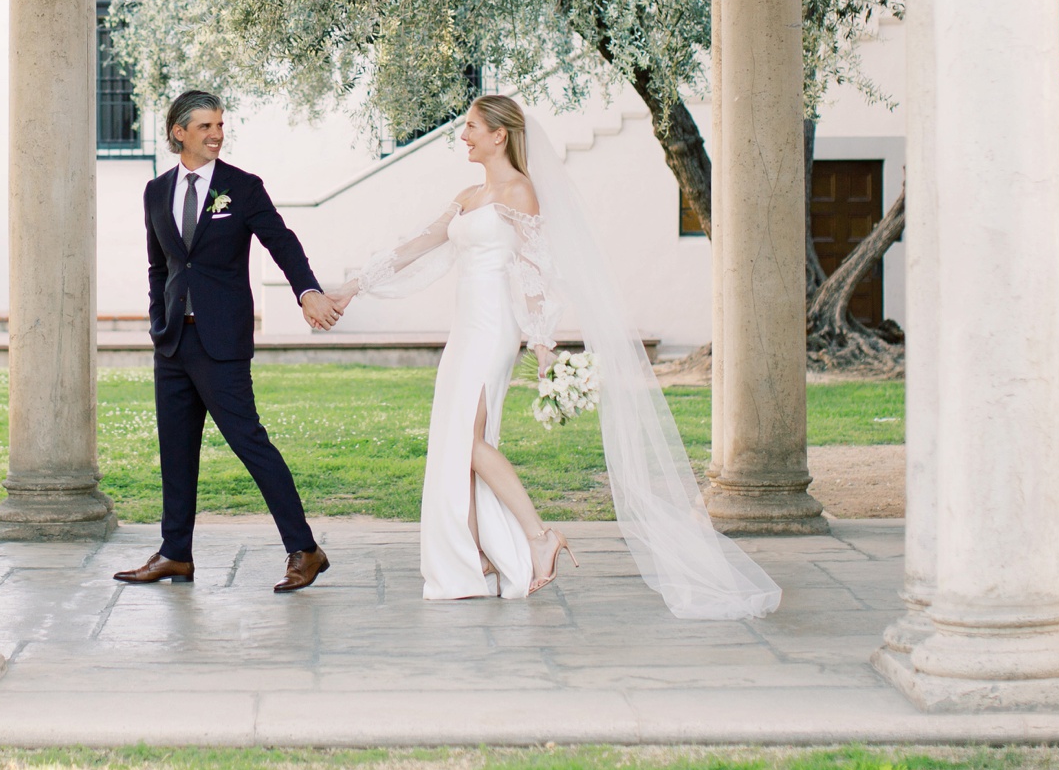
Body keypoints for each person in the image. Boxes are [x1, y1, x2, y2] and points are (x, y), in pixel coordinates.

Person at [329, 96, 782, 618]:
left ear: (500, 135)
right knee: (458, 444)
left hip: (495, 327)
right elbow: (417, 246)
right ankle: (479, 560)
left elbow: (536, 274)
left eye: (472, 127)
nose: (463, 135)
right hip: (465, 329)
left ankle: (537, 536)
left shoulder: (521, 192)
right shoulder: (468, 195)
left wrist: (543, 345)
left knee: (468, 441)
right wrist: (352, 287)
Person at [114, 89, 341, 594]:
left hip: (222, 343)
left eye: (220, 125)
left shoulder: (242, 187)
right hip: (174, 342)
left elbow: (281, 241)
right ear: (179, 133)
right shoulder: (156, 191)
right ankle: (175, 553)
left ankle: (305, 549)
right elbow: (161, 267)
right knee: (175, 449)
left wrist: (306, 291)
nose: (217, 135)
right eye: (205, 127)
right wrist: (158, 322)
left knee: (249, 443)